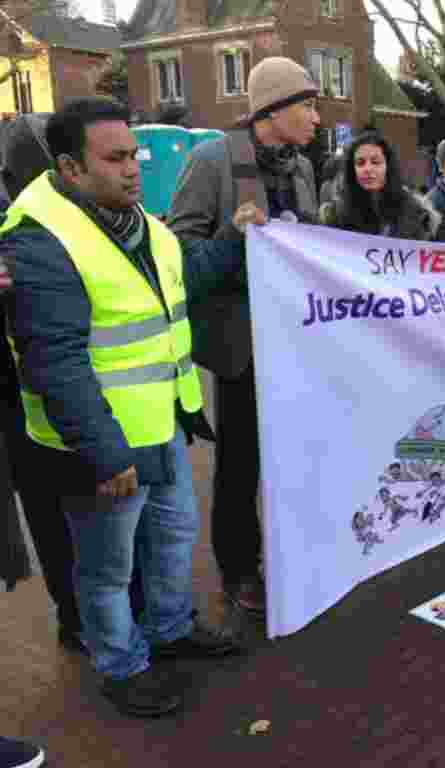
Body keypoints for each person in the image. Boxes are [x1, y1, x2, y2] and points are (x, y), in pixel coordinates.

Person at [4, 98, 264, 717]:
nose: (132, 170)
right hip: (104, 444)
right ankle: (121, 666)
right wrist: (104, 451)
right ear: (70, 167)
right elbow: (54, 360)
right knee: (106, 568)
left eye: (134, 156)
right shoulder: (40, 239)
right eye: (115, 158)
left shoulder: (137, 222)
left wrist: (232, 237)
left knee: (174, 537)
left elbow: (184, 278)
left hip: (161, 422)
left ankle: (170, 629)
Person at [168, 56, 320, 614]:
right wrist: (234, 238)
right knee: (241, 462)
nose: (317, 118)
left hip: (295, 338)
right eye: (307, 105)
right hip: (242, 346)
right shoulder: (212, 161)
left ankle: (292, 551)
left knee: (297, 451)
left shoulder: (303, 168)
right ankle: (238, 569)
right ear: (272, 110)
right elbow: (180, 262)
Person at [0, 113, 147, 654]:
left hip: (51, 390)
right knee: (58, 513)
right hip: (26, 393)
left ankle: (92, 616)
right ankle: (82, 619)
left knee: (77, 517)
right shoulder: (27, 225)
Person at [319, 130, 438, 238]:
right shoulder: (335, 216)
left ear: (388, 167)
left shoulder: (416, 213)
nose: (367, 169)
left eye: (375, 162)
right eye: (360, 163)